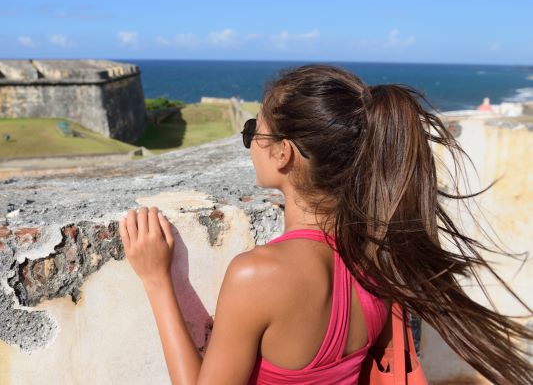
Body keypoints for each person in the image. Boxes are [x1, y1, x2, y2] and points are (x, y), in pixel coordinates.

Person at [119, 64, 532, 385]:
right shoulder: (376, 256)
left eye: (253, 132)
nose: (250, 145)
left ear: (282, 153)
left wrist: (157, 279)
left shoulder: (259, 275)